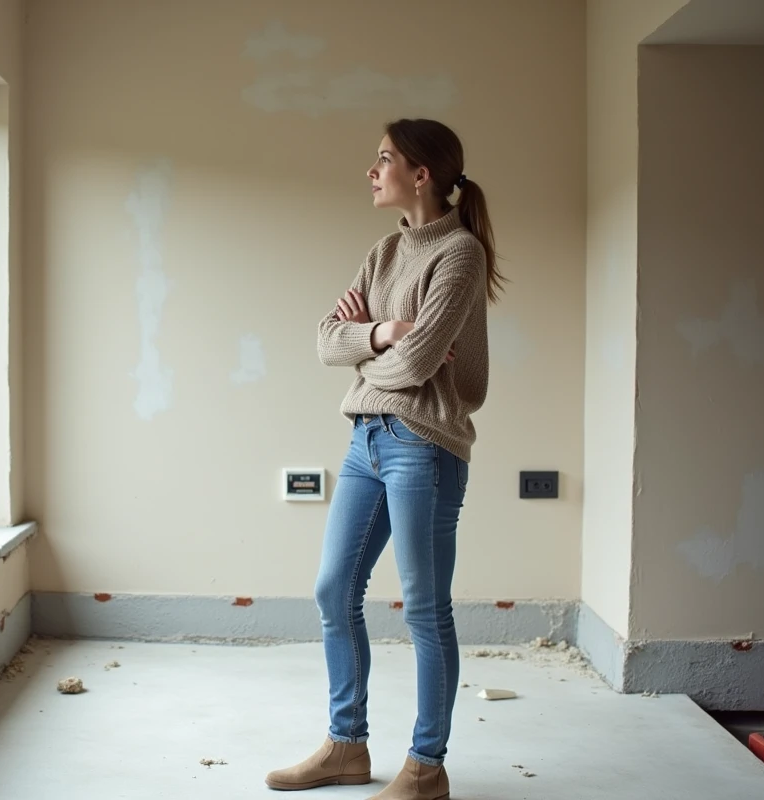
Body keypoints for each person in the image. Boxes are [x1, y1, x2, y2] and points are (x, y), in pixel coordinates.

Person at [265, 118, 505, 800]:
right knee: (332, 590)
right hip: (367, 442)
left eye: (383, 160)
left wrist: (370, 347)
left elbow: (423, 363)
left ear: (421, 173)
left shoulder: (458, 255)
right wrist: (384, 332)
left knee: (425, 608)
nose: (371, 172)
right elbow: (324, 340)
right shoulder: (385, 252)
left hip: (424, 447)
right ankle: (347, 745)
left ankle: (427, 767)